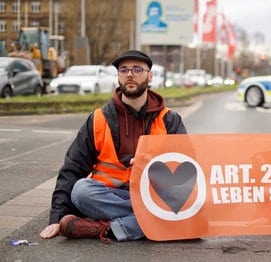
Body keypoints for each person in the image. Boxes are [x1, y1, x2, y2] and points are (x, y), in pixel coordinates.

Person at [39, 50, 187, 243]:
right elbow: (73, 167)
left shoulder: (169, 119)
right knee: (81, 191)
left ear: (150, 76)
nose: (130, 74)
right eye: (124, 70)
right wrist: (58, 216)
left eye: (137, 69)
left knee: (190, 202)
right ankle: (155, 219)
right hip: (108, 195)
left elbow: (186, 170)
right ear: (118, 76)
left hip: (154, 195)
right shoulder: (99, 119)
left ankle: (106, 228)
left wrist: (155, 166)